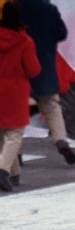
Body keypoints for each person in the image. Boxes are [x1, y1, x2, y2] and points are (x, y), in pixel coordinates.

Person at [19, 0, 75, 165]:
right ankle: (61, 140)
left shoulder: (15, 7)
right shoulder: (49, 8)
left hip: (21, 67)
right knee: (52, 105)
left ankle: (16, 151)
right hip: (45, 64)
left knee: (17, 110)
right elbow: (62, 33)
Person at [0, 1, 40, 191]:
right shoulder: (25, 41)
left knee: (2, 133)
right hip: (14, 91)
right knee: (14, 134)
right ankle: (2, 171)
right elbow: (33, 69)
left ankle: (14, 175)